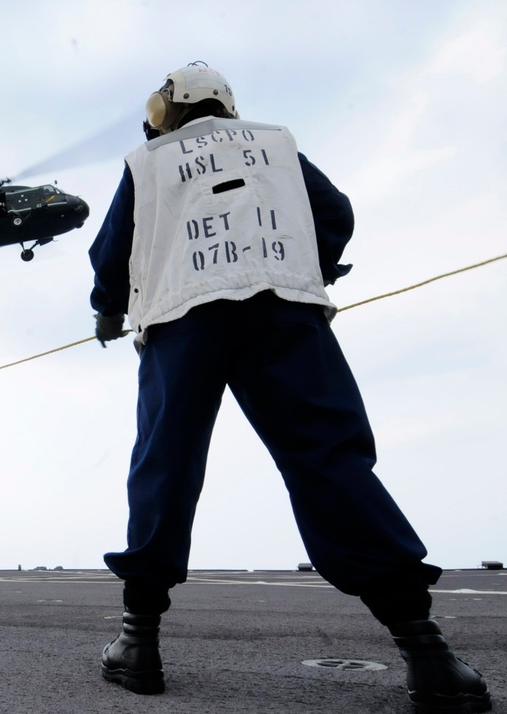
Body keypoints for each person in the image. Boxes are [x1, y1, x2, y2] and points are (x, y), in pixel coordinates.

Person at [89, 63, 491, 712]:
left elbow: (112, 251)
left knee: (165, 468)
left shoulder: (149, 160)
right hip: (281, 311)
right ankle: (427, 653)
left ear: (172, 106)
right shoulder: (275, 144)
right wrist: (316, 265)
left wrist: (106, 308)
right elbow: (334, 213)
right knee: (330, 462)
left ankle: (139, 644)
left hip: (180, 318)